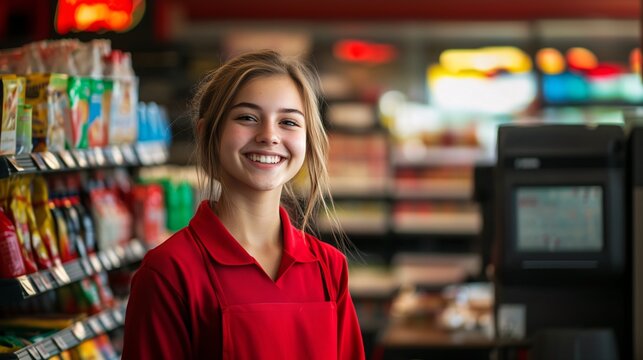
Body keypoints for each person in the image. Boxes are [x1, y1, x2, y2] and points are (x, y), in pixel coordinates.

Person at [122, 50, 365, 360]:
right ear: (208, 133)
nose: (269, 136)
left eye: (289, 121)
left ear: (309, 140)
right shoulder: (168, 273)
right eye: (247, 117)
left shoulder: (329, 267)